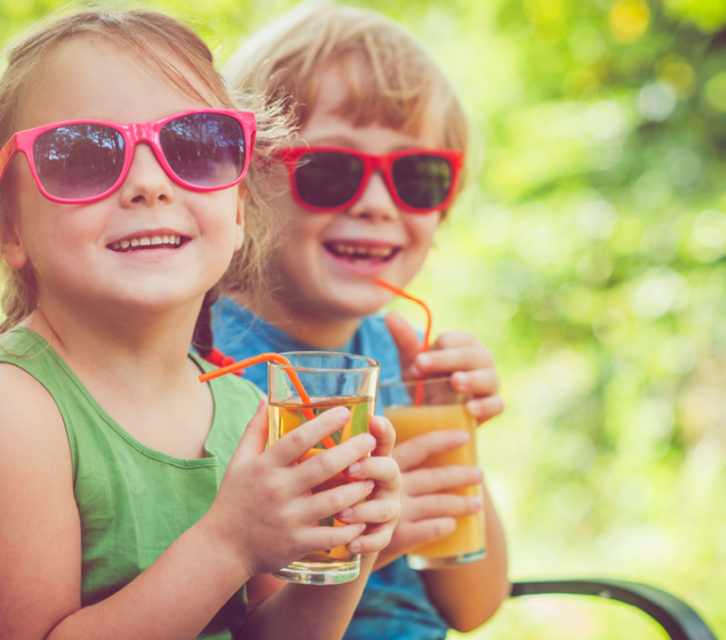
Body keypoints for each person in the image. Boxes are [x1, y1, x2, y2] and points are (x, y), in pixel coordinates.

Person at [0, 8, 401, 640]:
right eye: (83, 155)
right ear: (9, 229)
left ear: (240, 210)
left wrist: (345, 550)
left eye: (196, 146)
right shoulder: (11, 415)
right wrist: (228, 545)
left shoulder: (241, 407)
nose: (148, 183)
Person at [214, 3, 510, 638]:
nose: (376, 204)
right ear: (243, 181)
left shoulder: (397, 355)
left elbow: (474, 606)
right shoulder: (206, 365)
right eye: (331, 169)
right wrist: (368, 540)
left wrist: (458, 432)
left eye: (417, 176)